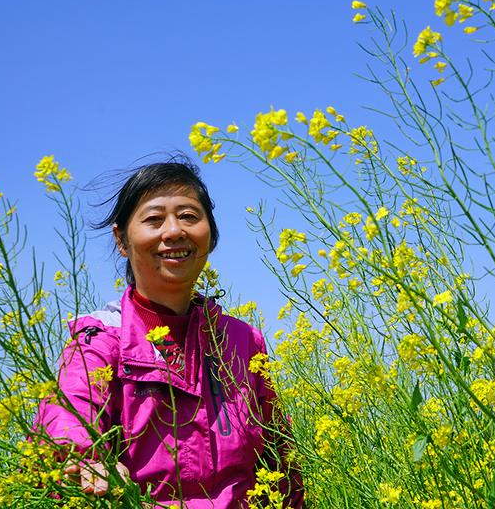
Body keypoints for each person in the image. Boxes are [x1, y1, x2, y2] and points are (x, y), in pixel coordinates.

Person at [34, 158, 304, 507]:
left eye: (189, 216)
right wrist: (83, 459)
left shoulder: (243, 342)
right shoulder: (99, 340)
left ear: (211, 232)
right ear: (121, 239)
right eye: (154, 219)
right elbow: (68, 419)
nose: (174, 231)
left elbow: (281, 462)